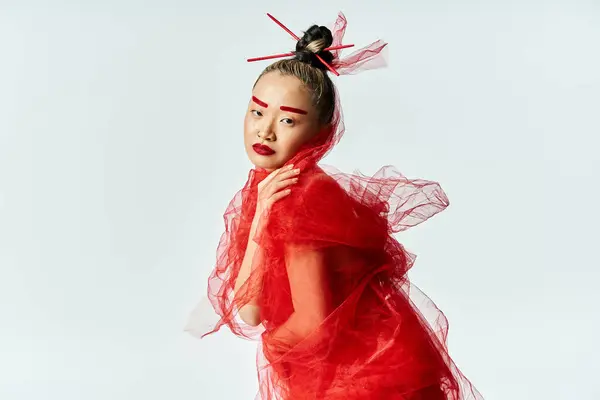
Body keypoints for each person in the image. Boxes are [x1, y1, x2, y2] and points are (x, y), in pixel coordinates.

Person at [186, 12, 483, 400]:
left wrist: (275, 349)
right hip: (345, 369)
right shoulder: (271, 190)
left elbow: (310, 323)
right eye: (257, 111)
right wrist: (259, 219)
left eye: (288, 121)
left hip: (364, 375)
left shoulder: (301, 200)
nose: (265, 131)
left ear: (322, 133)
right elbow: (251, 310)